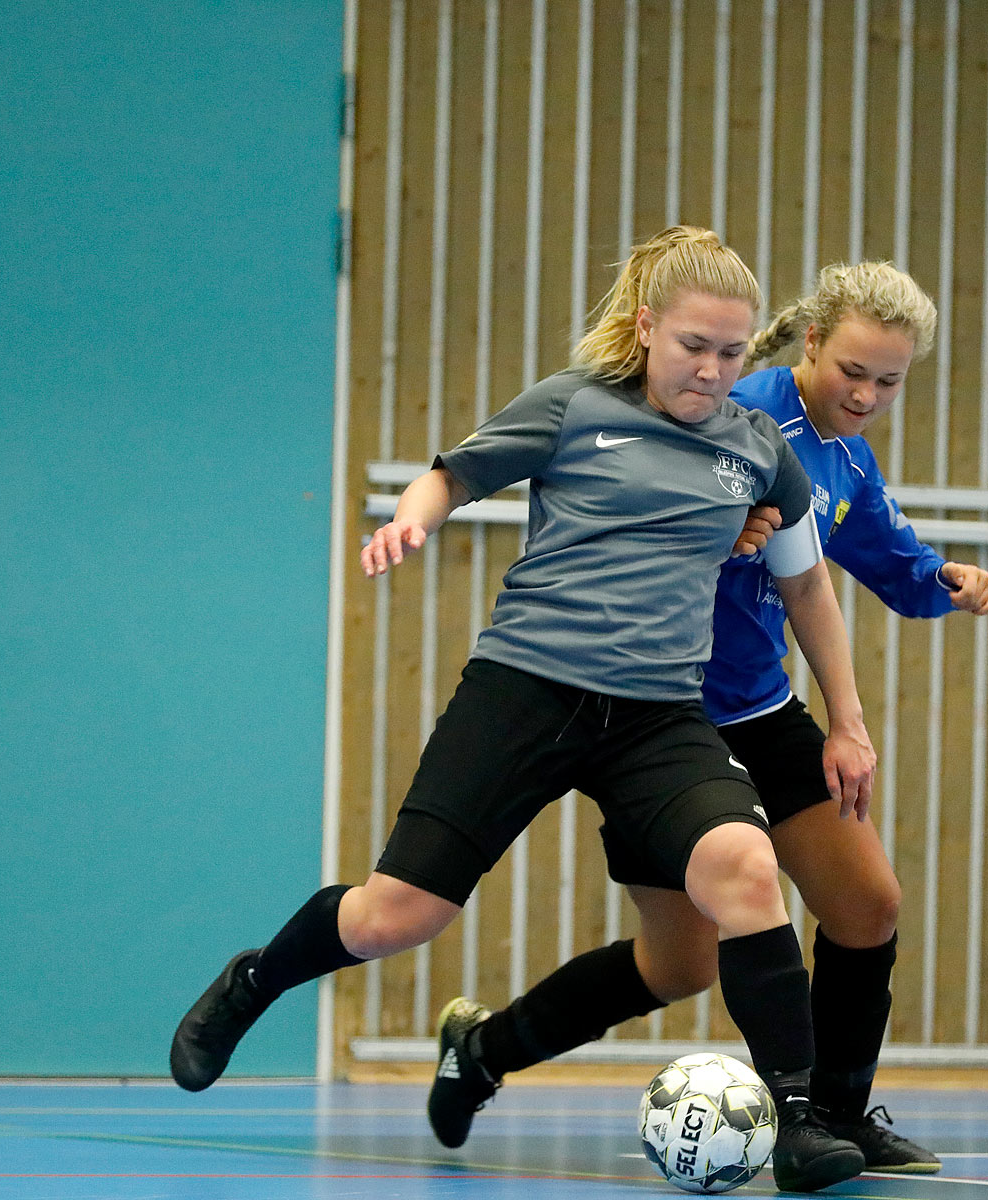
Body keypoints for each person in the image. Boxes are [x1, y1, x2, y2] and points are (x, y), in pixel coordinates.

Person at [169, 227, 884, 1193]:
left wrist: (846, 717)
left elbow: (808, 592)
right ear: (647, 329)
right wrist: (412, 520)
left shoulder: (758, 451)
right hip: (526, 691)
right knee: (395, 918)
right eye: (692, 348)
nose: (712, 372)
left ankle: (796, 1119)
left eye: (730, 353)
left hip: (658, 719)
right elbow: (452, 474)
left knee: (744, 875)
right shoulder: (576, 407)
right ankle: (253, 982)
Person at [426, 261, 988, 1175]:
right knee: (679, 964)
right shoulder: (736, 410)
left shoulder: (846, 454)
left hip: (764, 710)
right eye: (854, 370)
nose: (867, 394)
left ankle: (835, 1118)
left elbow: (873, 558)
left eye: (890, 381)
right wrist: (726, 539)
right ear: (811, 341)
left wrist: (942, 582)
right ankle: (483, 1053)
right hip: (664, 718)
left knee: (867, 905)